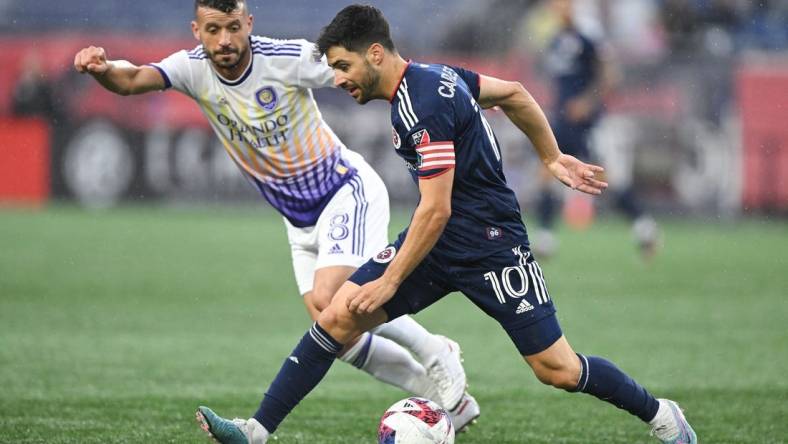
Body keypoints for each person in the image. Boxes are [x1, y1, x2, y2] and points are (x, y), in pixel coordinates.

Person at [196, 4, 696, 444]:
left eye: (344, 66)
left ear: (374, 54)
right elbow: (515, 94)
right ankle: (256, 432)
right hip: (436, 243)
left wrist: (390, 281)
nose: (340, 80)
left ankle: (664, 417)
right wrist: (551, 155)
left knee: (557, 370)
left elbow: (437, 208)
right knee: (337, 316)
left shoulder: (421, 105)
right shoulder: (436, 76)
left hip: (491, 246)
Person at [72, 0, 479, 429]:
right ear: (196, 30)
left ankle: (436, 351)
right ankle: (441, 396)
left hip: (345, 192)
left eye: (233, 27)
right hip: (298, 220)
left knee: (332, 298)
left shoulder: (287, 59)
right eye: (213, 30)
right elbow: (133, 77)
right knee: (335, 334)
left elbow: (372, 72)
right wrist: (103, 69)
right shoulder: (191, 69)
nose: (225, 40)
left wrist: (448, 94)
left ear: (249, 23)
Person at [535, 0, 659, 259]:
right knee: (547, 172)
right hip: (561, 120)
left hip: (587, 122)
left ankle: (643, 225)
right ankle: (546, 237)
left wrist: (587, 103)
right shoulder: (556, 39)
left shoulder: (588, 34)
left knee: (603, 179)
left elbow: (611, 75)